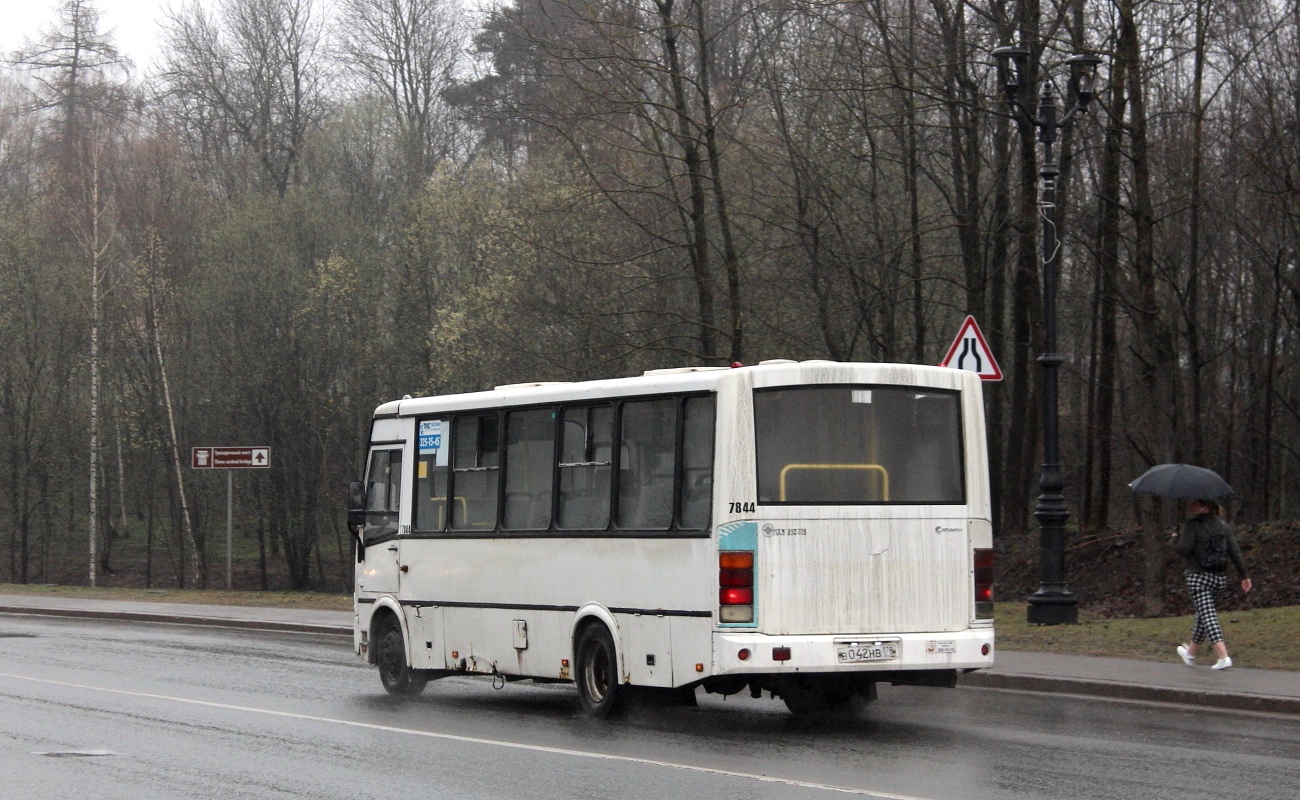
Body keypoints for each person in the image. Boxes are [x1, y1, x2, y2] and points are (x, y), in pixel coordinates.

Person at [1169, 499, 1252, 670]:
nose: (1191, 505)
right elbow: (1234, 551)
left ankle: (1223, 656)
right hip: (1219, 578)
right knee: (1203, 614)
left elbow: (1184, 549)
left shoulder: (1192, 525)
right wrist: (1244, 575)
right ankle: (1190, 654)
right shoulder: (1223, 526)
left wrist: (1174, 540)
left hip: (1198, 577)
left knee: (1208, 616)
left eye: (1195, 504)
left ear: (1204, 507)